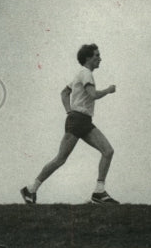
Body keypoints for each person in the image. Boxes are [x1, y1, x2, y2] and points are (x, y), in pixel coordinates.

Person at [21, 43, 119, 204]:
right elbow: (93, 94)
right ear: (88, 58)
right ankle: (30, 189)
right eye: (97, 55)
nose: (100, 59)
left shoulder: (79, 74)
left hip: (84, 120)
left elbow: (65, 92)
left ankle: (99, 192)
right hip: (78, 120)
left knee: (108, 151)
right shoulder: (86, 73)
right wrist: (108, 90)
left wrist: (69, 111)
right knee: (60, 159)